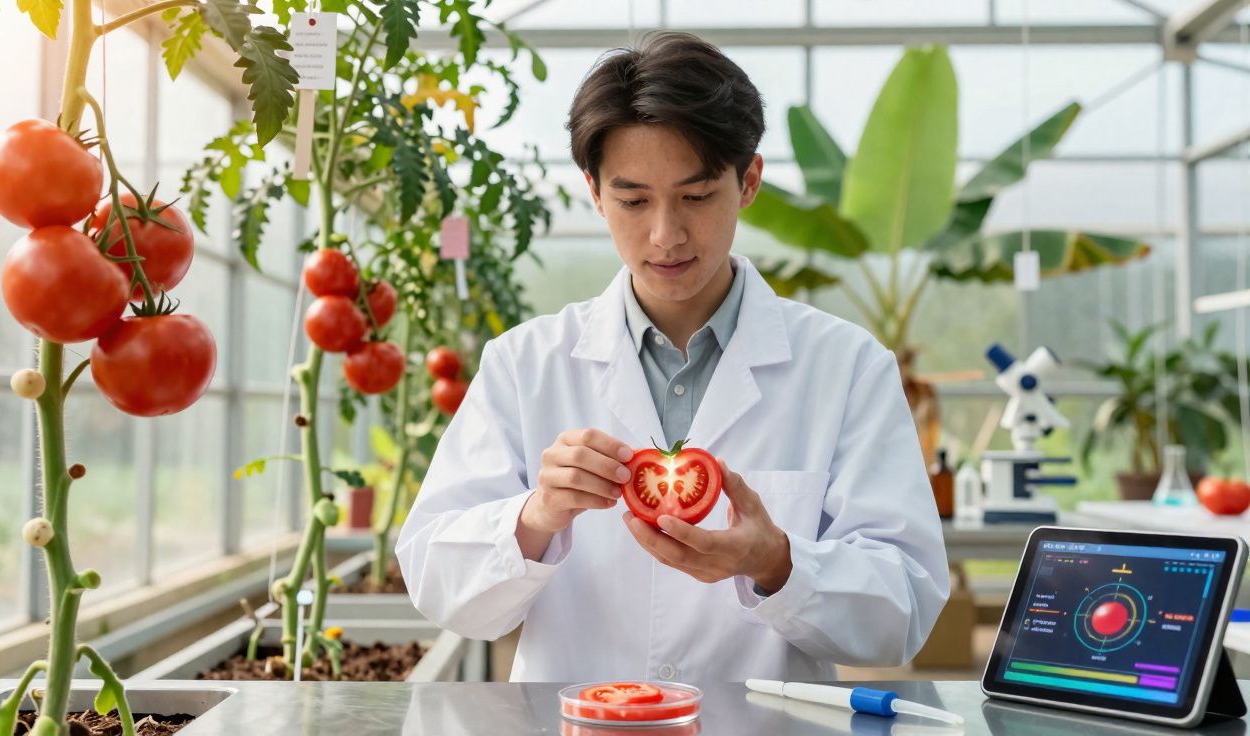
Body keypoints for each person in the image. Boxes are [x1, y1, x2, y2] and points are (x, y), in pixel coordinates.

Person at [396, 31, 949, 682]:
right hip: (579, 725)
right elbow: (437, 584)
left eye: (696, 196)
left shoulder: (847, 367)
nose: (666, 235)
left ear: (748, 182)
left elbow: (904, 608)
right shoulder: (526, 364)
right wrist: (534, 516)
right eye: (633, 200)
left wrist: (776, 561)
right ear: (595, 193)